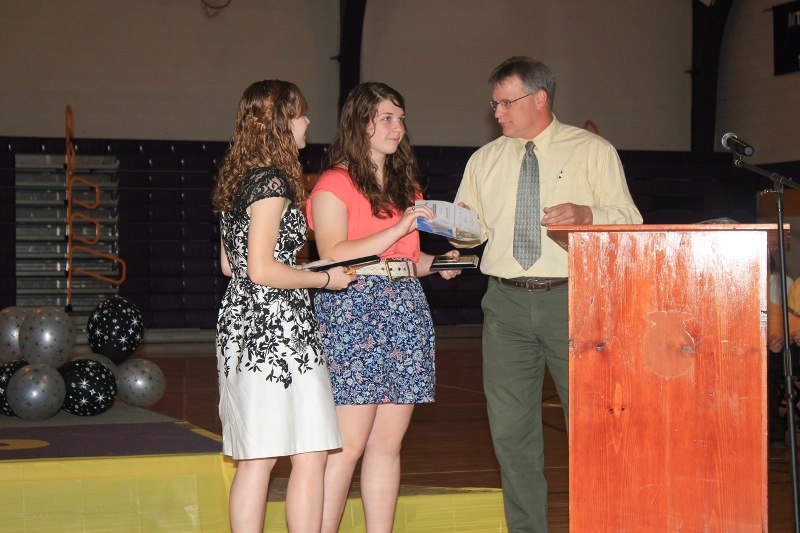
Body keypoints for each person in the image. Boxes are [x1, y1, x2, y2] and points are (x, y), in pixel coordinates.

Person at [452, 57, 642, 532]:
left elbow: (631, 220)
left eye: (505, 102)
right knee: (510, 434)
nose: (497, 112)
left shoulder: (593, 151)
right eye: (494, 104)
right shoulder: (483, 160)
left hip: (576, 303)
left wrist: (588, 215)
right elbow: (470, 231)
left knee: (593, 429)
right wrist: (449, 230)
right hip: (504, 307)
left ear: (539, 99)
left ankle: (601, 524)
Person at [306, 81, 462, 533]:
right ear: (361, 123)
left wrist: (440, 264)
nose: (398, 128)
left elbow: (406, 259)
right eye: (387, 118)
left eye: (401, 119)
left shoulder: (404, 185)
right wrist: (399, 228)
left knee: (387, 445)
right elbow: (333, 251)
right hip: (353, 309)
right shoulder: (333, 183)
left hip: (405, 308)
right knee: (347, 445)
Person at [211, 79, 356, 533]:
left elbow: (231, 266)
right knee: (310, 452)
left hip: (241, 323)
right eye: (300, 113)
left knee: (256, 459)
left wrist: (302, 269)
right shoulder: (272, 183)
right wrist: (324, 278)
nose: (308, 121)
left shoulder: (237, 180)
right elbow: (260, 269)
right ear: (280, 122)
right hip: (278, 331)